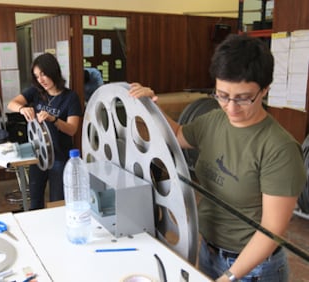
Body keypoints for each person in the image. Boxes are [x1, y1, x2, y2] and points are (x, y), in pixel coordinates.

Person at [129, 34, 306, 282]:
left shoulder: (279, 148)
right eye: (222, 95)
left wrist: (229, 277)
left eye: (243, 98)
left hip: (254, 269)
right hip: (209, 251)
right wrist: (150, 104)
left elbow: (271, 231)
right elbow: (178, 135)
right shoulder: (215, 120)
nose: (231, 108)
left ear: (265, 90)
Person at [7, 52, 82, 210]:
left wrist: (53, 119)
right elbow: (11, 104)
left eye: (43, 74)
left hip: (60, 157)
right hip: (38, 155)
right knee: (34, 201)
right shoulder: (35, 92)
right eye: (37, 76)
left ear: (53, 71)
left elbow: (72, 129)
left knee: (57, 203)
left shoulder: (71, 97)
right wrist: (22, 109)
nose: (41, 80)